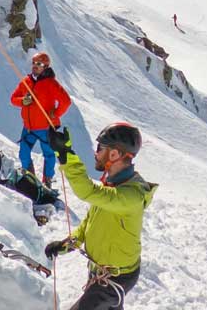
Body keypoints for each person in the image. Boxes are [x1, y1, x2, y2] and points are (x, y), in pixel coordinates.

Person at [43, 122, 155, 310]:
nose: (95, 152)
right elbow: (91, 221)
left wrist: (66, 155)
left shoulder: (131, 196)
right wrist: (70, 242)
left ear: (114, 154)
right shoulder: (112, 185)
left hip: (115, 278)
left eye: (100, 148)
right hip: (101, 272)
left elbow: (87, 191)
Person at [11, 50, 73, 185]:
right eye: (33, 63)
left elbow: (66, 101)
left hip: (45, 127)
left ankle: (48, 180)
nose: (35, 65)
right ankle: (29, 177)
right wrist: (23, 101)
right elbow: (13, 99)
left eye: (38, 63)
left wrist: (56, 114)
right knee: (23, 153)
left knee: (49, 155)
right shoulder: (26, 81)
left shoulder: (51, 83)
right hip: (28, 128)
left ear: (45, 66)